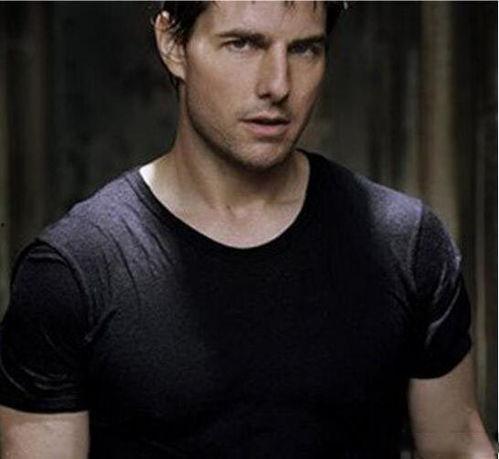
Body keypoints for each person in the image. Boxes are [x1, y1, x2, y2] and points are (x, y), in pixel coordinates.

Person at [0, 1, 495, 458]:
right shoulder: (73, 270)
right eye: (243, 44)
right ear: (173, 44)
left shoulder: (404, 243)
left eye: (304, 49)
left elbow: (458, 449)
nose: (278, 85)